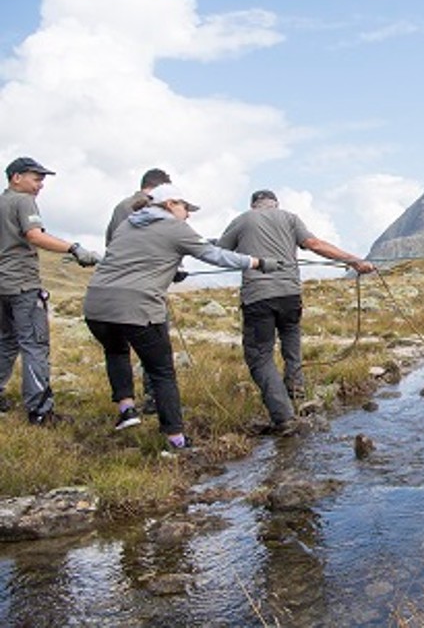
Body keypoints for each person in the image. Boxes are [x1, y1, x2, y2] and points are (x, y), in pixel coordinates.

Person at [83, 183, 278, 450]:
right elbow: (214, 255)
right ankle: (176, 440)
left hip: (96, 305)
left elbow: (136, 258)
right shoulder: (175, 227)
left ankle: (126, 409)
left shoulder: (128, 223)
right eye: (186, 208)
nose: (189, 214)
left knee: (116, 351)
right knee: (162, 372)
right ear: (170, 204)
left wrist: (171, 269)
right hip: (137, 307)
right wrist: (257, 263)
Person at [217, 189, 375, 432]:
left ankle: (284, 416)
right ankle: (296, 390)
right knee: (291, 340)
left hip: (258, 297)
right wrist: (353, 260)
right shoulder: (290, 218)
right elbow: (314, 244)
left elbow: (220, 252)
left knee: (260, 356)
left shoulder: (242, 220)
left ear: (253, 205)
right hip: (290, 295)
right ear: (275, 204)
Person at [0, 157, 102, 424]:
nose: (40, 185)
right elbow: (34, 235)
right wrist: (74, 248)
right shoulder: (22, 201)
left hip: (2, 286)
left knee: (7, 343)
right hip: (22, 285)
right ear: (16, 177)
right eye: (36, 178)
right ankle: (40, 411)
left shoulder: (1, 202)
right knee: (34, 345)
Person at [106, 167, 173, 415]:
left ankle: (127, 406)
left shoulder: (120, 208)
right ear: (159, 188)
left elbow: (111, 244)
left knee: (118, 348)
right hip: (146, 290)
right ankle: (155, 400)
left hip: (114, 290)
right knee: (155, 346)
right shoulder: (156, 208)